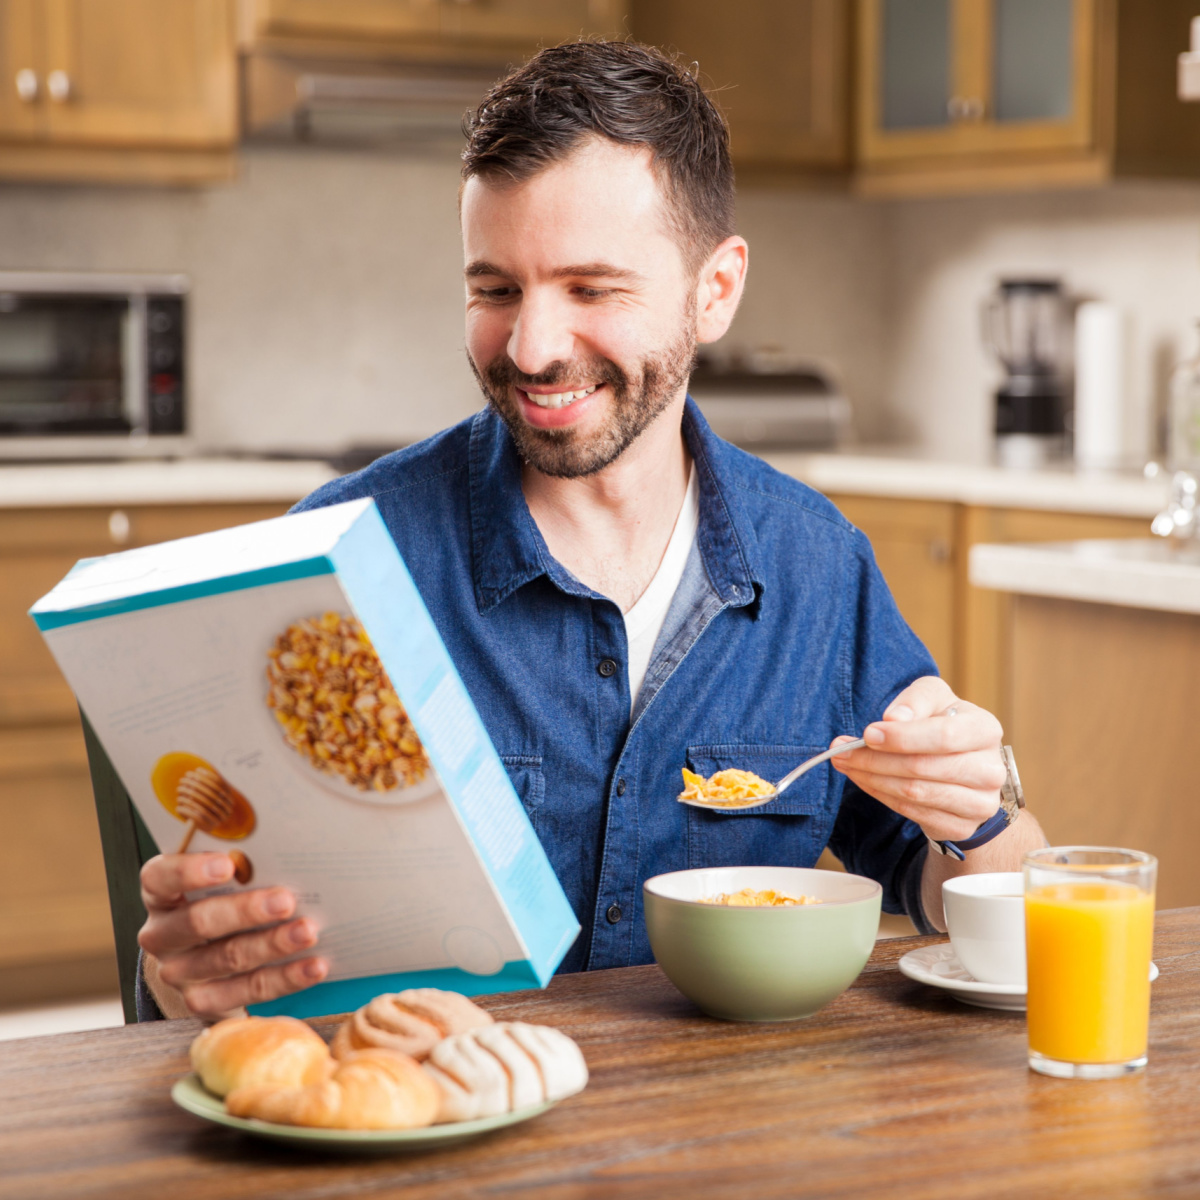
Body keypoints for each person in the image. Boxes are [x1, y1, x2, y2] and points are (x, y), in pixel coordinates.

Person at [137, 40, 1045, 1021]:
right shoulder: (335, 568)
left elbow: (971, 898)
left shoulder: (815, 566)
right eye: (495, 289)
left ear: (717, 289)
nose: (530, 347)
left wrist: (977, 809)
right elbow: (202, 952)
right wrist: (184, 974)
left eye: (591, 289)